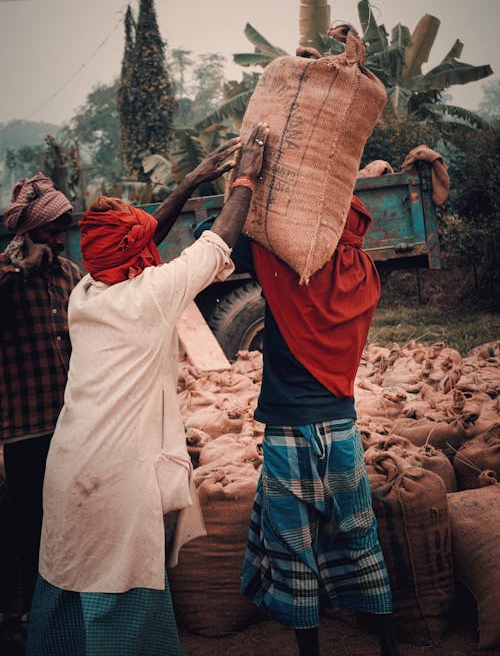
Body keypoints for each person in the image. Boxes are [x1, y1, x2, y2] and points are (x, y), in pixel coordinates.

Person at [25, 123, 269, 656]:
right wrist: (245, 175)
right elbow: (219, 241)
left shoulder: (87, 292)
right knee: (121, 593)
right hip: (117, 481)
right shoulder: (150, 298)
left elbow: (139, 237)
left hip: (69, 469)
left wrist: (191, 180)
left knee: (67, 583)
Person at [196, 193, 400, 656]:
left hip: (288, 432)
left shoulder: (284, 267)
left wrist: (260, 195)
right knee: (360, 534)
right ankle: (389, 644)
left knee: (293, 546)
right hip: (343, 431)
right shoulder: (366, 275)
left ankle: (311, 649)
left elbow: (210, 233)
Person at [0, 174, 83, 621]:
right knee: (32, 525)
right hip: (24, 428)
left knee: (73, 520)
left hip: (71, 424)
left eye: (64, 226)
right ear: (28, 231)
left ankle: (71, 608)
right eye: (53, 228)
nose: (60, 235)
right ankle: (35, 615)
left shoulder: (71, 276)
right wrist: (21, 267)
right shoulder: (7, 273)